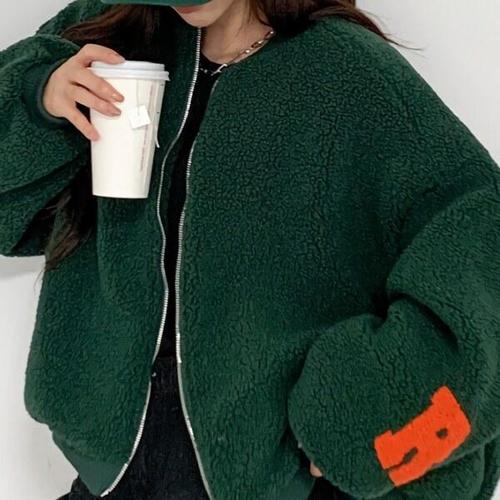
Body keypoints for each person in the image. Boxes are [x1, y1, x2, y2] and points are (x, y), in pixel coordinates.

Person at [1, 0, 499, 498]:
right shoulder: (112, 37)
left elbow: (481, 235)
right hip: (112, 478)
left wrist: (366, 418)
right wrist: (41, 97)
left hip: (271, 478)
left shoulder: (346, 70)